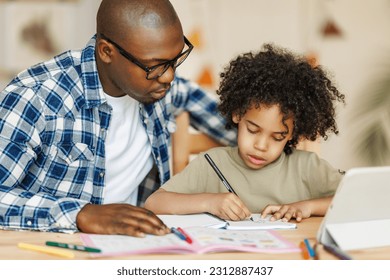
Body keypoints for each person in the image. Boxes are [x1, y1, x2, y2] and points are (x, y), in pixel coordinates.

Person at [0, 0, 236, 237]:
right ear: (106, 52)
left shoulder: (160, 88)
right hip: (54, 249)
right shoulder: (36, 97)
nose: (169, 76)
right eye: (155, 66)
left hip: (138, 244)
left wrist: (271, 150)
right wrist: (81, 214)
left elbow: (246, 128)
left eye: (175, 60)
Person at [145, 43, 346, 223]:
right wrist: (209, 202)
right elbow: (154, 203)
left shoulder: (307, 167)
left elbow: (355, 199)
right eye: (252, 130)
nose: (261, 145)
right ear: (237, 115)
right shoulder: (210, 163)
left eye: (277, 137)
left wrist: (308, 207)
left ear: (292, 134)